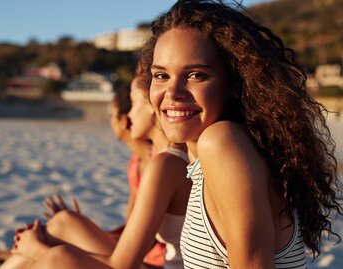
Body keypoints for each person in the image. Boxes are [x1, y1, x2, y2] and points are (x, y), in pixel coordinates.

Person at [138, 0, 343, 268]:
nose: (173, 92)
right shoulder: (235, 149)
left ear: (235, 84)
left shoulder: (222, 143)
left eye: (196, 75)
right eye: (161, 75)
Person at [0, 73, 191, 269]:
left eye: (133, 104)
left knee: (59, 254)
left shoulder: (166, 164)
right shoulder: (160, 160)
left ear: (152, 105)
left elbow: (124, 263)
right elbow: (130, 232)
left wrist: (37, 249)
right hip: (145, 258)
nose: (130, 115)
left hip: (151, 262)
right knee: (63, 223)